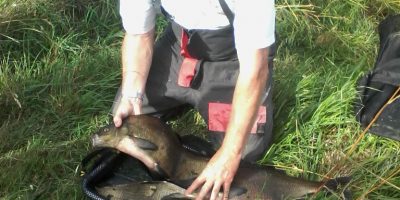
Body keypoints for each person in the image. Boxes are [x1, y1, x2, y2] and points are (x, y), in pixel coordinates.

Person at [112, 0, 276, 199]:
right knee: (125, 122)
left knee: (245, 152)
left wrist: (229, 155)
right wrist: (132, 95)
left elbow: (254, 70)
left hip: (233, 61)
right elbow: (139, 34)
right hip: (179, 48)